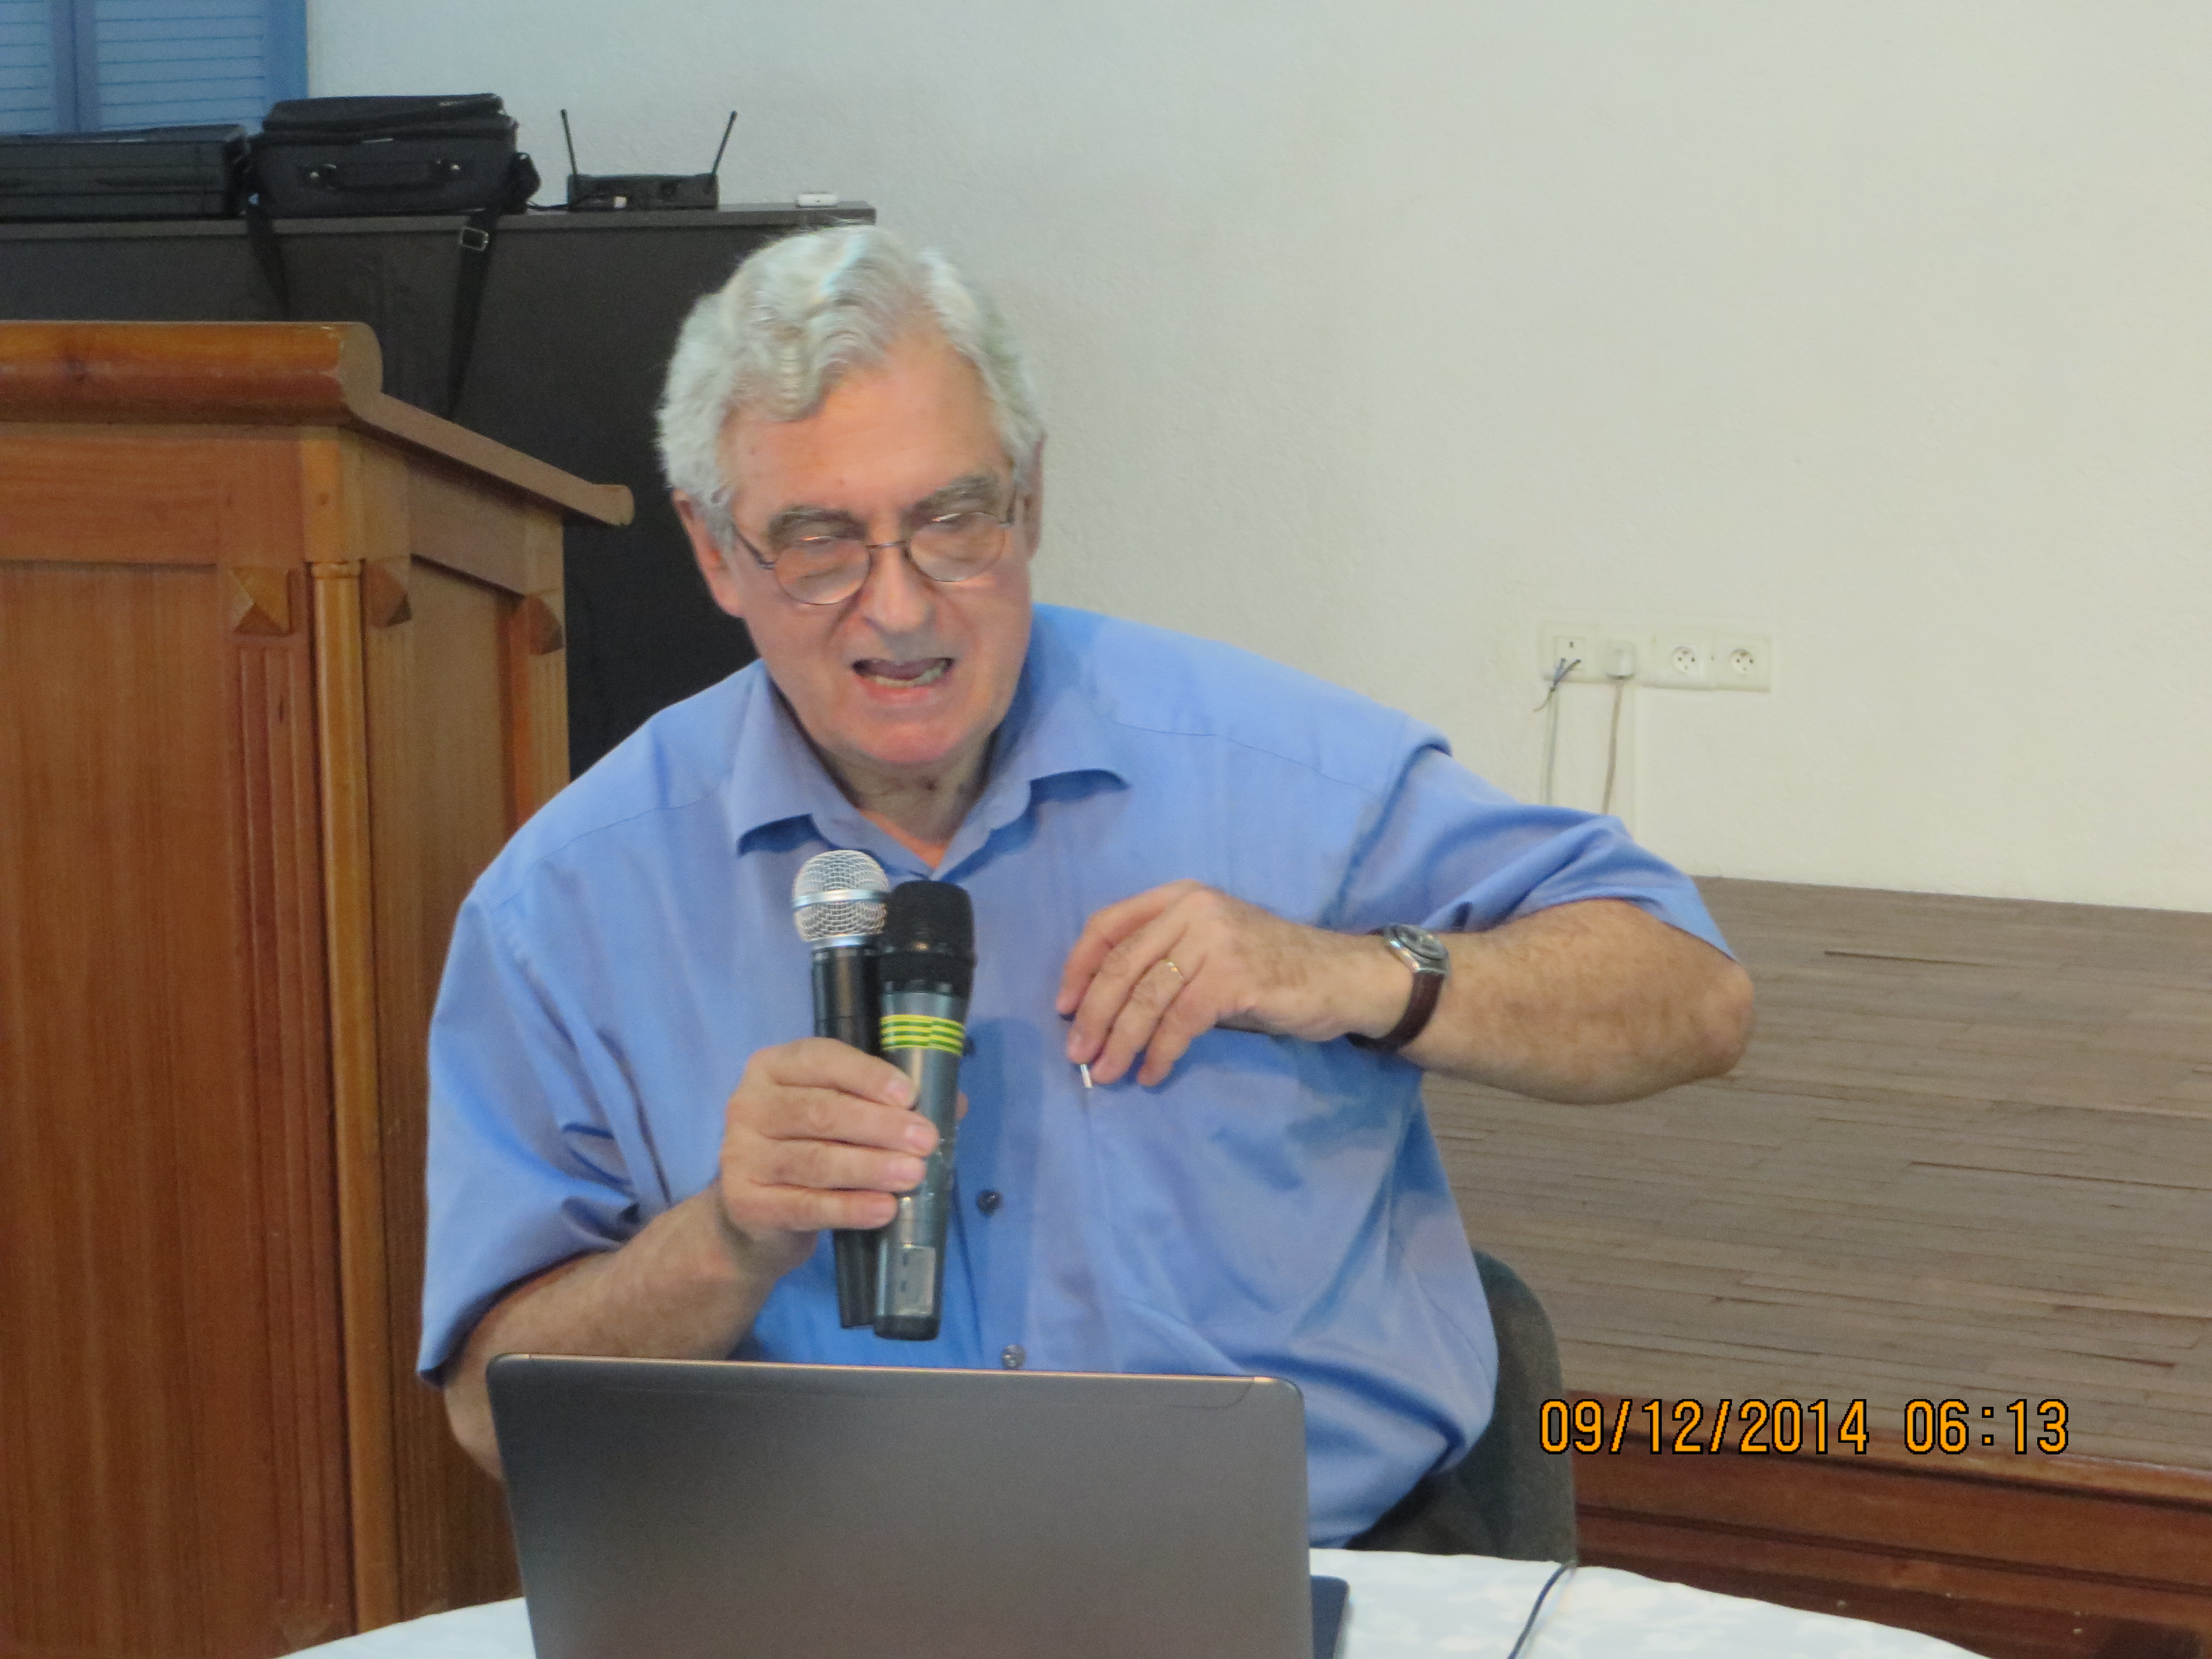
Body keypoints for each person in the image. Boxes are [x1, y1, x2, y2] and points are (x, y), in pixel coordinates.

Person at [421, 225, 1752, 1548]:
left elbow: (1692, 998)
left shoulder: (1277, 770)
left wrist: (1351, 974)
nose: (899, 608)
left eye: (951, 521)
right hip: (824, 1597)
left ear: (1031, 499)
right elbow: (492, 1415)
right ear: (716, 553)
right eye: (819, 543)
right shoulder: (566, 906)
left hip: (1307, 1575)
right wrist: (724, 1242)